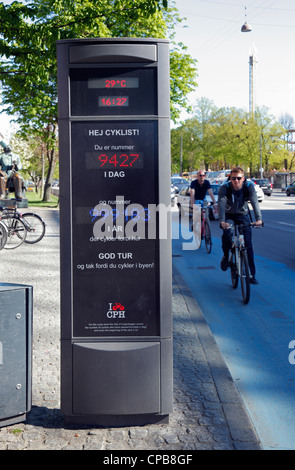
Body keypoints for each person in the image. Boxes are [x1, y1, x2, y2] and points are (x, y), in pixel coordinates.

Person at [218, 167, 263, 284]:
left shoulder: (249, 187)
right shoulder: (225, 188)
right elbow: (221, 205)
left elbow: (254, 203)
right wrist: (222, 221)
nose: (236, 181)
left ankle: (252, 275)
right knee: (227, 234)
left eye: (239, 178)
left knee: (248, 245)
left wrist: (259, 219)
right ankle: (226, 255)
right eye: (233, 178)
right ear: (230, 179)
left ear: (243, 178)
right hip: (229, 216)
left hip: (243, 215)